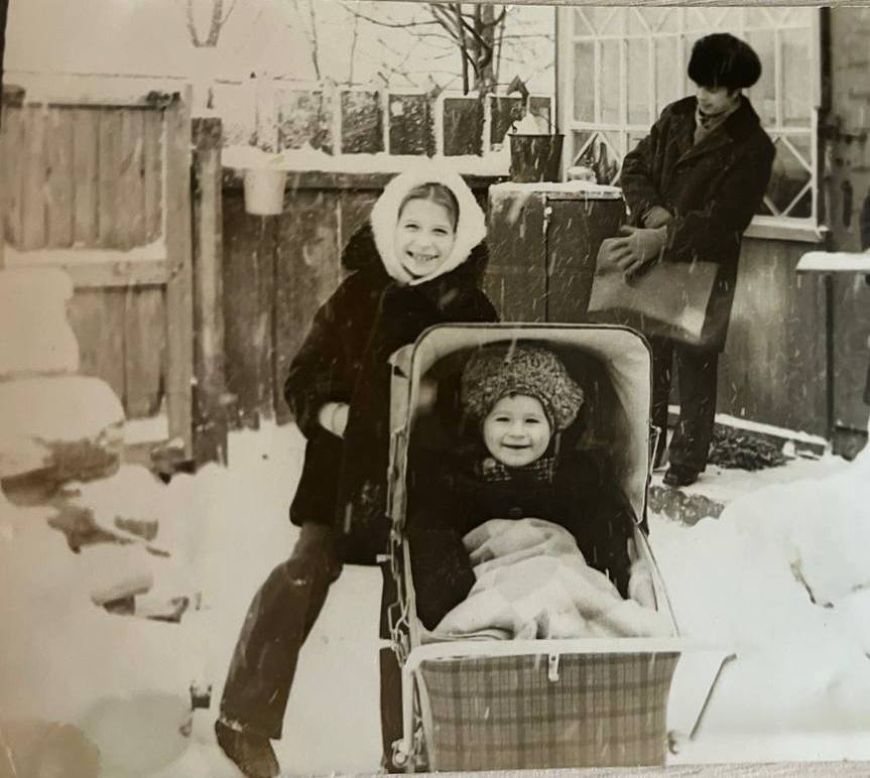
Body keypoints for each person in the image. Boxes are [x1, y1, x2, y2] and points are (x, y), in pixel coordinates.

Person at [214, 165, 498, 778]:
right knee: (305, 571)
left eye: (439, 232)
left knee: (411, 604)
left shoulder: (470, 309)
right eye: (412, 227)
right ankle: (243, 719)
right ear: (390, 226)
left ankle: (407, 743)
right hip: (344, 476)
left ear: (460, 239)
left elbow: (486, 390)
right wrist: (328, 410)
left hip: (422, 484)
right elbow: (304, 373)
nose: (424, 243)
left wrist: (451, 429)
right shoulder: (356, 296)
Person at [608, 33, 775, 487]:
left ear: (737, 91)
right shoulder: (676, 117)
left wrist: (664, 237)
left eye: (714, 88)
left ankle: (686, 461)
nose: (704, 96)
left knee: (696, 361)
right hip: (656, 259)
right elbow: (634, 167)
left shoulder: (753, 146)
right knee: (651, 357)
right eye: (700, 84)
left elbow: (726, 219)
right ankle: (646, 450)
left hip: (707, 266)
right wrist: (652, 213)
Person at [407, 343, 643, 630]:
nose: (517, 432)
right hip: (487, 583)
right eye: (502, 419)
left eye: (531, 421)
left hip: (561, 579)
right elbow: (432, 530)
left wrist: (618, 578)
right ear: (482, 424)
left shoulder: (574, 478)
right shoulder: (458, 479)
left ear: (553, 427)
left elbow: (602, 529)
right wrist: (449, 589)